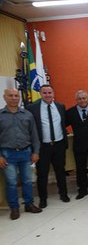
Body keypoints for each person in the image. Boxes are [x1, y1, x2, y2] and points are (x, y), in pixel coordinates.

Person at [0, 88, 42, 220]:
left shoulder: (27, 114)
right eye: (10, 96)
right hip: (7, 154)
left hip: (26, 152)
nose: (14, 98)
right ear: (4, 97)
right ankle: (14, 207)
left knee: (28, 181)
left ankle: (29, 204)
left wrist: (36, 151)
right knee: (11, 182)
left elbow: (34, 135)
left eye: (16, 96)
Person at [26, 84, 70, 208]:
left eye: (49, 92)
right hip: (43, 146)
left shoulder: (60, 106)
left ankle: (64, 194)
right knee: (42, 173)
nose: (47, 95)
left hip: (59, 144)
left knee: (60, 171)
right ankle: (43, 199)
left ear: (53, 93)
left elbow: (63, 124)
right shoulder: (32, 108)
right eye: (44, 93)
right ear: (40, 94)